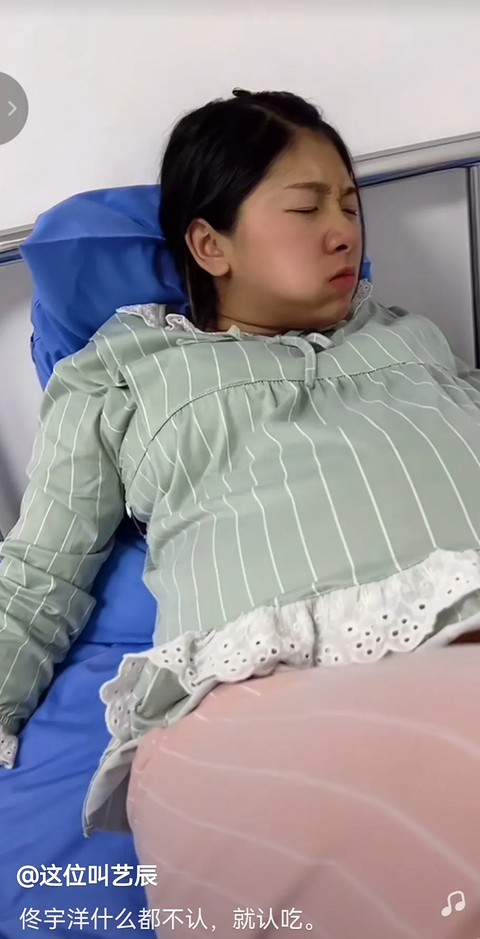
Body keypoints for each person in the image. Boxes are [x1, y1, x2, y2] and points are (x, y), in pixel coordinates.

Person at [2, 92, 480, 924]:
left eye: (350, 205)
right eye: (307, 207)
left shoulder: (410, 335)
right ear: (208, 244)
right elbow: (37, 573)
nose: (345, 231)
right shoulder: (122, 370)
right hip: (263, 695)